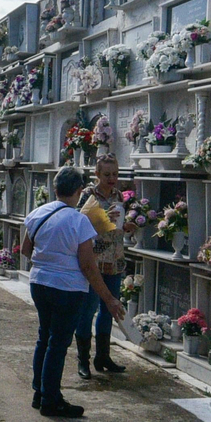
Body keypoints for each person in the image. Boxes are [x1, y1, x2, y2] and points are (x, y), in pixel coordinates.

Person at [21, 166, 126, 418]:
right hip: (67, 288)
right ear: (79, 191)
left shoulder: (38, 213)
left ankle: (40, 392)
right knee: (58, 343)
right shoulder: (78, 220)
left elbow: (25, 249)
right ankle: (51, 400)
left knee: (44, 338)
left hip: (39, 283)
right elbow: (88, 266)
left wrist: (49, 260)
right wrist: (110, 299)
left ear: (55, 188)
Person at [75, 155, 135, 378]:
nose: (112, 179)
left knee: (109, 310)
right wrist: (102, 217)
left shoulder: (118, 195)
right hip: (94, 261)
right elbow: (77, 221)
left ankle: (103, 356)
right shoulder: (88, 195)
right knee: (88, 309)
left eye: (115, 174)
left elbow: (115, 225)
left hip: (115, 259)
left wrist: (126, 225)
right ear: (97, 175)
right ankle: (83, 360)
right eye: (107, 174)